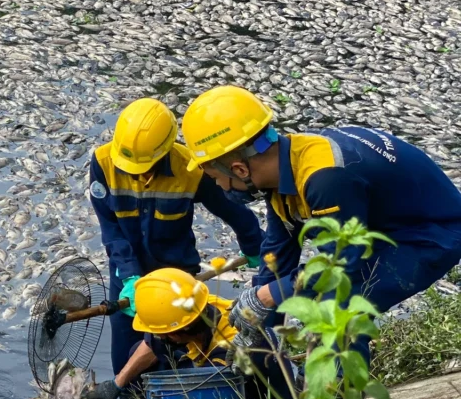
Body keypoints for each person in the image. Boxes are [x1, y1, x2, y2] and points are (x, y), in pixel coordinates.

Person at [180, 85, 461, 362]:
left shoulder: (325, 178)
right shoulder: (282, 167)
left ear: (240, 169)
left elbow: (338, 267)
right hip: (379, 229)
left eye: (217, 179)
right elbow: (277, 256)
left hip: (431, 235)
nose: (219, 186)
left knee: (337, 306)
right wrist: (257, 323)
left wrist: (267, 297)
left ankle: (339, 396)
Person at [89, 97, 264, 399]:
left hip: (176, 277)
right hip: (128, 278)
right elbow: (111, 231)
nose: (137, 173)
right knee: (126, 359)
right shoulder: (103, 162)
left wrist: (258, 251)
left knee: (180, 365)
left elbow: (236, 213)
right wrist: (131, 277)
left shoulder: (191, 168)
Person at [61, 268, 293, 399]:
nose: (155, 337)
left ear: (174, 331)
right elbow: (150, 345)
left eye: (160, 332)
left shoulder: (230, 349)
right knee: (138, 355)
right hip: (220, 397)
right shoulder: (199, 308)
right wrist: (116, 384)